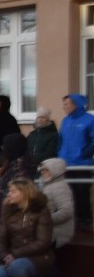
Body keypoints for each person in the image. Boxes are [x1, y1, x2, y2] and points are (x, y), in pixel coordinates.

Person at [57, 93, 94, 231]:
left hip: (82, 163)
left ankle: (85, 220)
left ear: (75, 104)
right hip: (66, 163)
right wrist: (59, 152)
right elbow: (60, 139)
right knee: (69, 193)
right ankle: (73, 220)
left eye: (66, 104)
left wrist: (85, 153)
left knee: (82, 191)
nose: (64, 107)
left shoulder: (90, 120)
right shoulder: (65, 121)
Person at [39, 158, 74, 249]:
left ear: (56, 171)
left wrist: (44, 219)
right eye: (42, 170)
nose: (42, 173)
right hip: (47, 229)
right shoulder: (48, 186)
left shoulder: (60, 187)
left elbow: (66, 211)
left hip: (57, 233)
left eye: (46, 170)